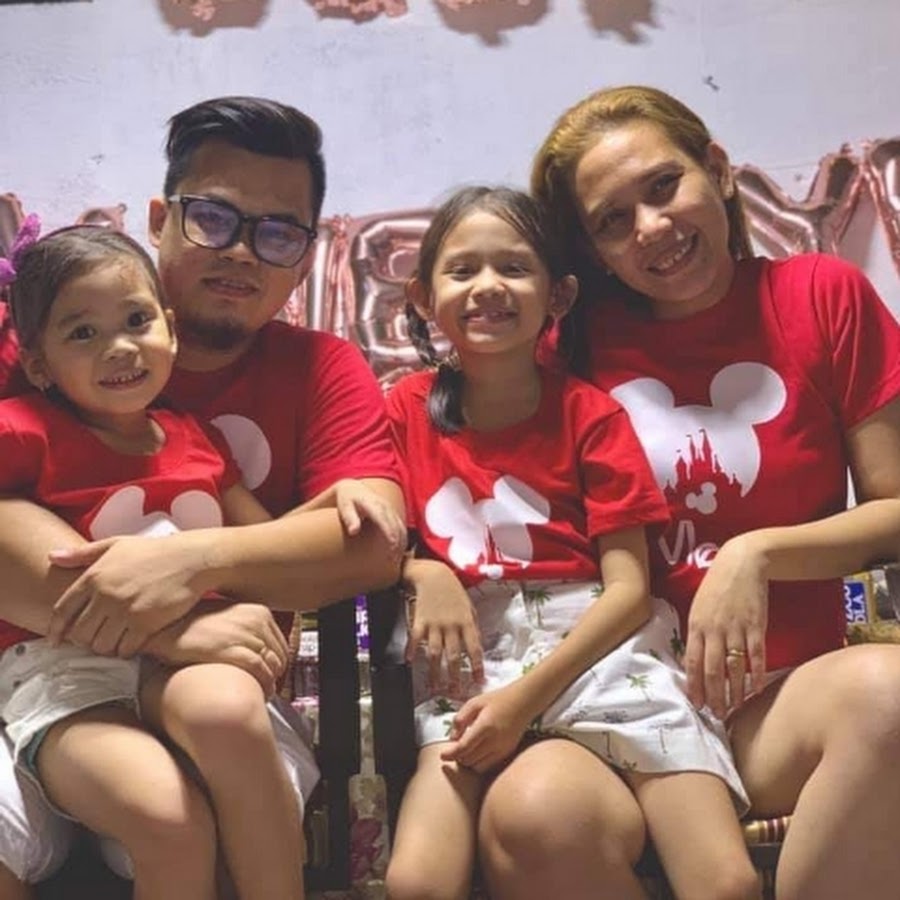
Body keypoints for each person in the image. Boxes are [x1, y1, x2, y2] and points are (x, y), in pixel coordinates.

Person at [0, 96, 404, 898]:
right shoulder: (40, 343)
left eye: (278, 233)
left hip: (215, 692)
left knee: (208, 789)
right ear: (162, 219)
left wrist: (190, 562)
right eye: (214, 218)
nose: (242, 252)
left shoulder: (317, 371)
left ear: (305, 255)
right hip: (50, 681)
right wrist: (175, 623)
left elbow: (365, 546)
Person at [530, 84, 900, 900]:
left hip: (778, 703)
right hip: (619, 705)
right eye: (612, 221)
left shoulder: (820, 294)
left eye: (664, 186)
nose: (650, 228)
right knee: (537, 815)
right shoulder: (568, 344)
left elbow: (894, 509)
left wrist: (755, 554)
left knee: (892, 697)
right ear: (592, 252)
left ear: (719, 170)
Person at [383, 186, 758, 900]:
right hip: (473, 663)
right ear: (424, 297)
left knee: (723, 881)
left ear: (558, 295)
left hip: (603, 654)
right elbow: (362, 526)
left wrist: (526, 699)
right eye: (462, 270)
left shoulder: (591, 415)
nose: (488, 286)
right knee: (415, 883)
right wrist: (422, 573)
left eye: (514, 268)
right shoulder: (403, 411)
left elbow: (629, 591)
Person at [0, 221, 317, 900]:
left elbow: (264, 546)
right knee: (165, 816)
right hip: (68, 671)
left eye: (136, 320)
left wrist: (341, 504)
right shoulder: (22, 430)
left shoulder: (193, 438)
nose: (119, 347)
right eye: (83, 333)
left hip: (190, 664)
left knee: (229, 710)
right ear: (39, 365)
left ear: (169, 329)